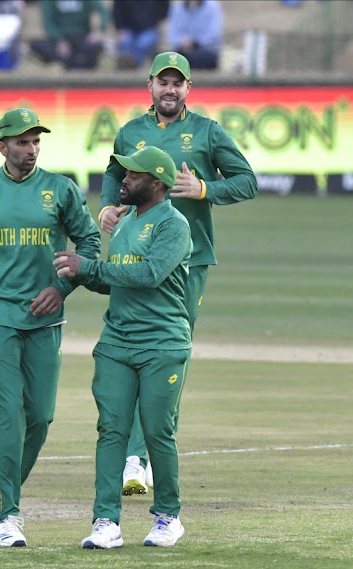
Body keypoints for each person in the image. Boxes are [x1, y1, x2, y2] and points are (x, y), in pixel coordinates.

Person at [0, 108, 101, 547]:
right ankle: (7, 516)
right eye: (22, 143)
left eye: (36, 143)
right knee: (9, 412)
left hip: (45, 314)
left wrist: (61, 287)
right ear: (2, 147)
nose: (30, 150)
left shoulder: (60, 189)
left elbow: (88, 243)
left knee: (41, 416)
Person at [99, 51, 257, 495]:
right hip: (133, 258)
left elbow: (247, 181)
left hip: (190, 259)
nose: (170, 89)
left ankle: (141, 454)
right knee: (130, 348)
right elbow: (114, 172)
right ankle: (134, 455)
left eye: (178, 82)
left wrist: (206, 188)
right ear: (149, 85)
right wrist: (110, 206)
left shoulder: (207, 131)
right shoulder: (131, 131)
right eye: (162, 81)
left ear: (189, 88)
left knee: (169, 355)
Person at [54, 145, 192, 549]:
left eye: (132, 176)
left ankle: (168, 517)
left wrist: (91, 268)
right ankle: (105, 522)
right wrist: (76, 272)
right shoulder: (127, 220)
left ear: (157, 183)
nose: (123, 181)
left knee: (156, 431)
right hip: (117, 341)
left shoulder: (173, 224)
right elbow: (116, 279)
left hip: (162, 342)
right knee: (110, 430)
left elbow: (149, 275)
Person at [29, 0, 108, 70]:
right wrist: (60, 40)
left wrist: (100, 31)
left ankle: (73, 64)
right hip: (60, 40)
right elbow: (48, 24)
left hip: (82, 38)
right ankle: (78, 63)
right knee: (35, 45)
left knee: (95, 46)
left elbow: (103, 10)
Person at [112, 0, 170, 70]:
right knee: (126, 42)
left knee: (143, 43)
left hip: (149, 29)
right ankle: (127, 63)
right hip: (128, 30)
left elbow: (165, 7)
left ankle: (133, 64)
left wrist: (159, 23)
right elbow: (117, 12)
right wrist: (120, 30)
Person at [166, 0, 223, 70]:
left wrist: (194, 42)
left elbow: (213, 34)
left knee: (203, 57)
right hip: (183, 50)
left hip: (205, 50)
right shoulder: (177, 8)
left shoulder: (213, 7)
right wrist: (181, 41)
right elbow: (172, 35)